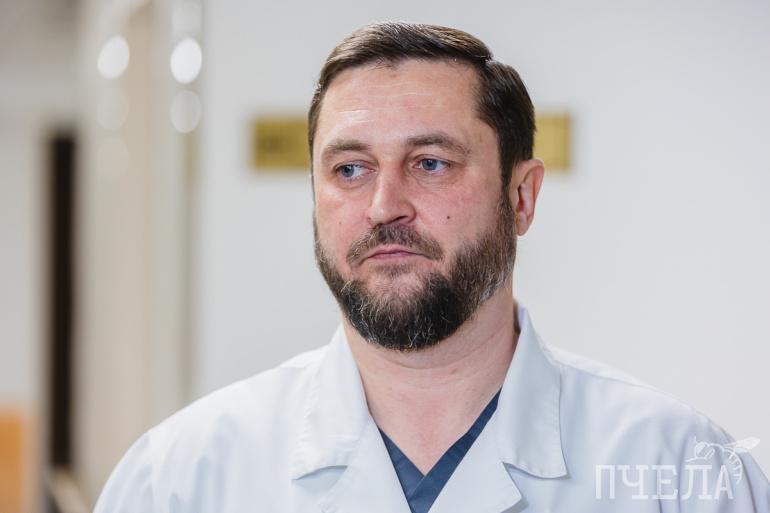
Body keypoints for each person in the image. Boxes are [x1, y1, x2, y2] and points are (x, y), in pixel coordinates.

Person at [94, 22, 770, 513]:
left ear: (521, 196)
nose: (384, 206)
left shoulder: (680, 472)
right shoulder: (182, 479)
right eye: (350, 169)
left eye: (431, 163)